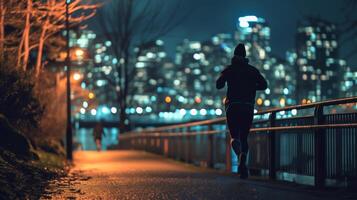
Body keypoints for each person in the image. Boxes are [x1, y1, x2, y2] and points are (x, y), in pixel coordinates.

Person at [216, 43, 268, 179]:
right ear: (245, 56)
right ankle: (243, 163)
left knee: (234, 137)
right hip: (248, 107)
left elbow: (218, 85)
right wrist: (250, 87)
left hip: (233, 106)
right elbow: (264, 85)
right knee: (244, 137)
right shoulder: (252, 70)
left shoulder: (230, 69)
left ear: (234, 55)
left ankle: (240, 156)